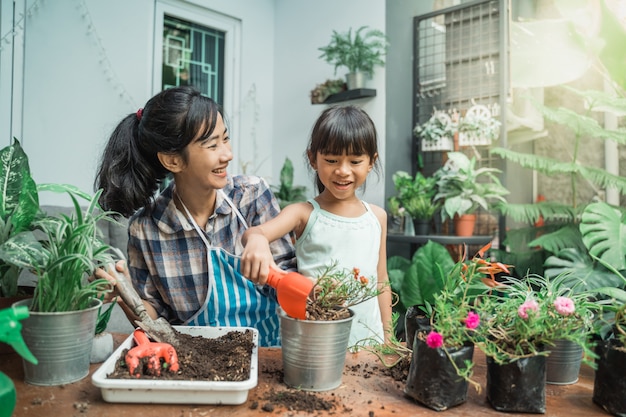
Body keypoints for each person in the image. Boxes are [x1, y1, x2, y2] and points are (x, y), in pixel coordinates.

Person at [93, 86, 296, 347]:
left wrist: (271, 271)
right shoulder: (146, 229)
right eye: (212, 145)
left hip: (269, 353)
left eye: (225, 138)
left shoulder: (252, 197)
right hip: (197, 363)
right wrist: (123, 293)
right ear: (172, 161)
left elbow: (291, 282)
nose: (227, 154)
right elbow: (153, 318)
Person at [241, 105, 393, 346]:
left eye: (355, 161)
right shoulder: (303, 214)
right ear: (313, 158)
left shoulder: (377, 217)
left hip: (369, 343)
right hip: (316, 343)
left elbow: (381, 282)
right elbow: (256, 232)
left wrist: (389, 338)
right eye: (331, 160)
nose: (343, 171)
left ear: (371, 162)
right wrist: (257, 241)